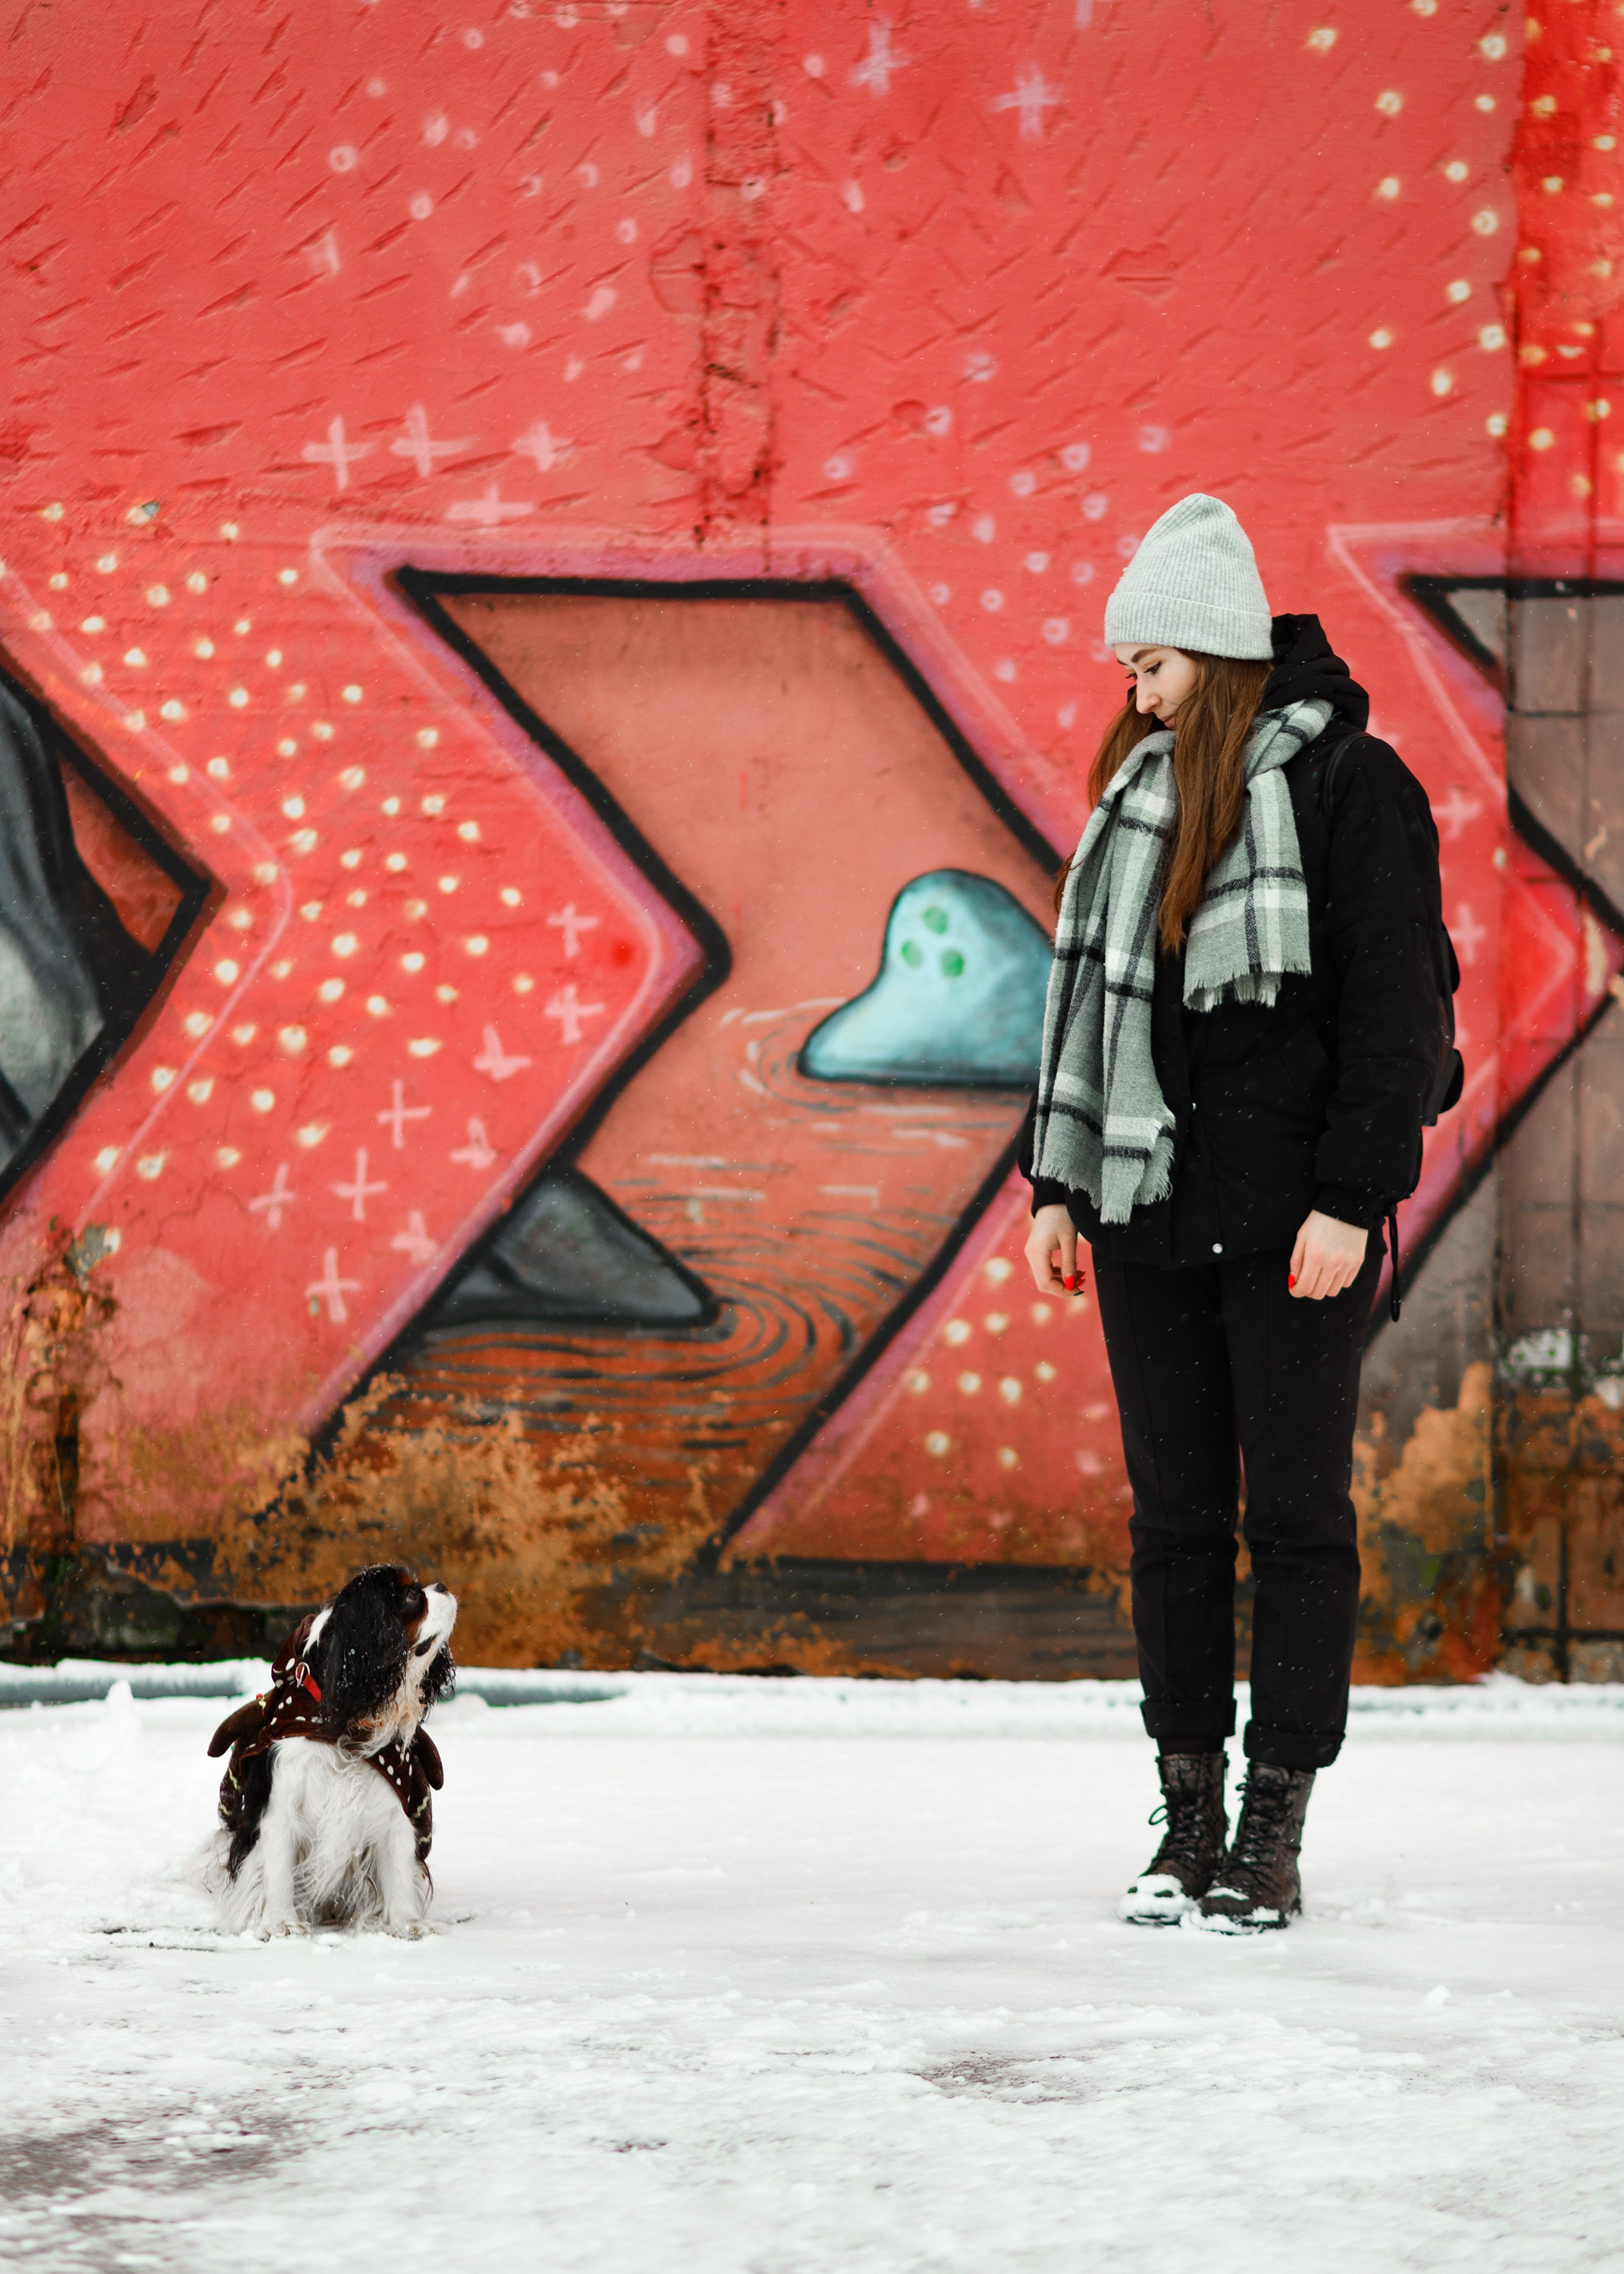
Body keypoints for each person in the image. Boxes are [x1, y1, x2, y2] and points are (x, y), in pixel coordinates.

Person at [1020, 493, 1452, 1933]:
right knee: (1176, 1525)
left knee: (1301, 1524)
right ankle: (1186, 1818)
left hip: (1296, 1236)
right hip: (1149, 1221)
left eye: (1151, 665)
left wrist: (1350, 1198)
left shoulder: (1349, 790)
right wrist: (1059, 1186)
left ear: (1212, 652)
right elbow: (1091, 1009)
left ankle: (1275, 1826)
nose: (1132, 692)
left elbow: (1398, 1018)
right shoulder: (1143, 796)